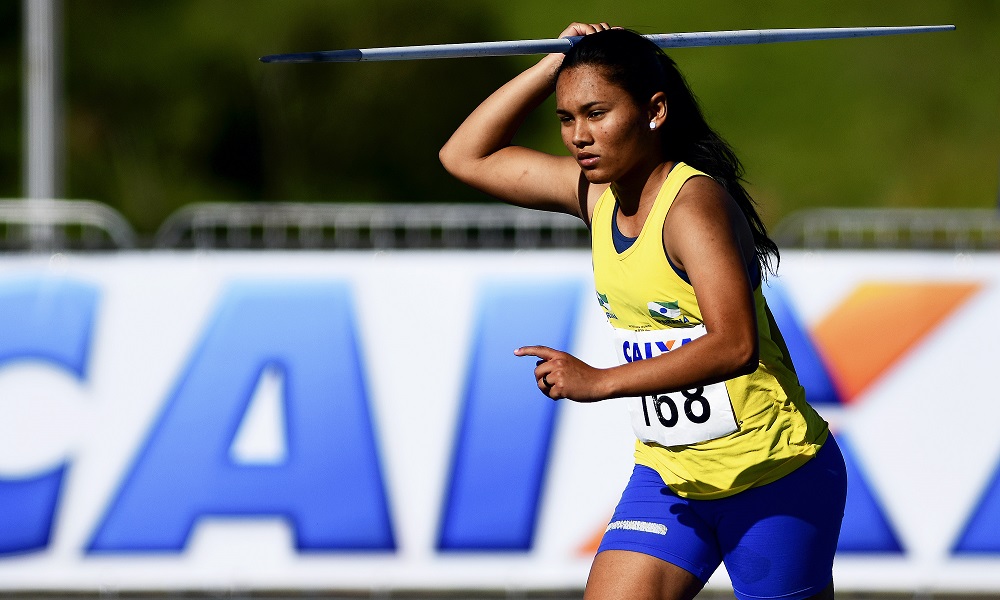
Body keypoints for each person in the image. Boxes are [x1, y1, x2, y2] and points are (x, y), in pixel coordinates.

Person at [439, 22, 847, 600]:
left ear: (655, 112)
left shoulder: (692, 206)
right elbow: (464, 156)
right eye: (566, 118)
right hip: (670, 480)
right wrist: (555, 62)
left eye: (597, 113)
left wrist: (601, 382)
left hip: (772, 477)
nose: (579, 136)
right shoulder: (596, 194)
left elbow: (734, 344)